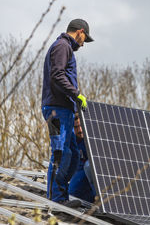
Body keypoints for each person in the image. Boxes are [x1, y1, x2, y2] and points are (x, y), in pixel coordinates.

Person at [41, 18, 94, 206]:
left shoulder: (67, 48)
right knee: (60, 153)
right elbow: (57, 75)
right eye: (84, 38)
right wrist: (76, 94)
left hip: (66, 110)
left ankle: (60, 194)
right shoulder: (62, 46)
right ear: (80, 31)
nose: (83, 43)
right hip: (56, 110)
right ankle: (55, 200)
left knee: (71, 155)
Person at [69, 114, 96, 203]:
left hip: (95, 173)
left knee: (89, 166)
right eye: (76, 127)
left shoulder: (93, 138)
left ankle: (99, 199)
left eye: (81, 126)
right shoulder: (72, 142)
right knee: (72, 193)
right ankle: (91, 199)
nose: (80, 130)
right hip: (81, 173)